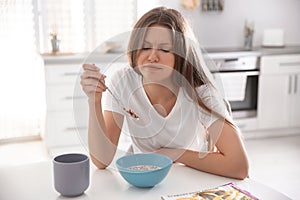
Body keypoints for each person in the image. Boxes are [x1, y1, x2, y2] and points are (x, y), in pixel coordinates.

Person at [80, 6, 249, 179]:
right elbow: (102, 160)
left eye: (165, 49)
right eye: (145, 47)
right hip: (144, 179)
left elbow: (239, 166)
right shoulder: (123, 81)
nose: (152, 56)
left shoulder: (200, 91)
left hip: (191, 178)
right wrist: (94, 100)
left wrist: (174, 154)